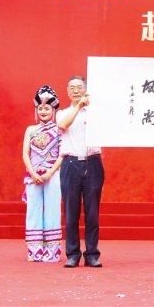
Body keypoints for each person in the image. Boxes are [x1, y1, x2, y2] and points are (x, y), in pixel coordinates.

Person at [57, 75, 104, 268]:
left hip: (93, 163)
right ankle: (73, 254)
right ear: (67, 91)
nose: (75, 90)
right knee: (71, 212)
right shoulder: (62, 113)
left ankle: (92, 254)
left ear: (86, 89)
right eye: (72, 87)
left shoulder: (96, 113)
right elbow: (63, 125)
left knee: (92, 213)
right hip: (70, 164)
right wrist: (78, 107)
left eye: (79, 87)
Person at [22, 85, 63, 262]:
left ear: (53, 110)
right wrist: (33, 173)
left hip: (52, 175)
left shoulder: (60, 129)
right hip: (33, 176)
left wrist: (49, 173)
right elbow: (25, 154)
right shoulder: (30, 130)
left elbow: (62, 154)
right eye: (40, 108)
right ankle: (35, 250)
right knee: (33, 210)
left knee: (53, 209)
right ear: (36, 110)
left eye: (47, 108)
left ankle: (52, 251)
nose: (43, 111)